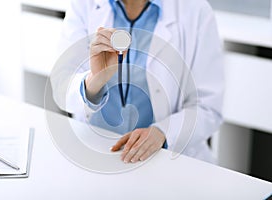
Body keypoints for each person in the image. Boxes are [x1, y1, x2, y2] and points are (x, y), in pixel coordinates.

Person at [51, 0, 224, 164]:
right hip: (96, 149)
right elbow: (62, 87)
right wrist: (95, 80)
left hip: (162, 158)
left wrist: (164, 132)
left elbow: (208, 107)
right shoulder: (85, 5)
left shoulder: (196, 10)